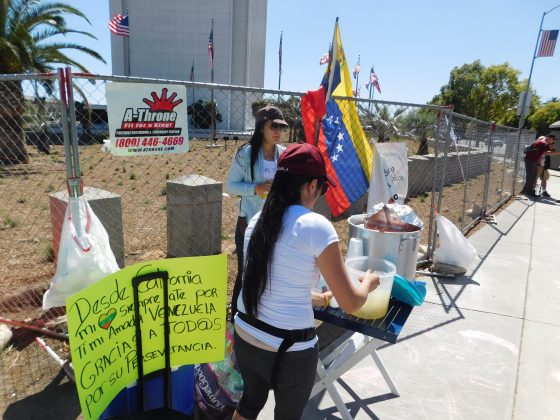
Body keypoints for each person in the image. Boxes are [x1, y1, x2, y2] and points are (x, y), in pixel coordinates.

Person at [232, 143, 380, 420]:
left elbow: (271, 285)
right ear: (312, 185)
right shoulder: (315, 226)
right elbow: (351, 302)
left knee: (250, 403)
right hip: (288, 351)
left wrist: (320, 298)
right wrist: (368, 283)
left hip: (245, 336)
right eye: (323, 189)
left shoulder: (257, 221)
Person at [226, 105, 288, 320]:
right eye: (274, 126)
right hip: (249, 223)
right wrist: (256, 189)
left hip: (275, 222)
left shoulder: (284, 154)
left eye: (281, 126)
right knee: (246, 272)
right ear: (262, 127)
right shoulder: (246, 154)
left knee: (270, 269)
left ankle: (259, 315)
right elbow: (230, 186)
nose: (278, 131)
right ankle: (237, 317)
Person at [523, 134, 560, 198]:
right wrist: (558, 153)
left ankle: (527, 190)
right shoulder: (543, 143)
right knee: (531, 176)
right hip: (531, 160)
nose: (553, 141)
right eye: (553, 139)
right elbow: (546, 153)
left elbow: (551, 149)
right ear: (548, 138)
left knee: (533, 176)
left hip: (532, 160)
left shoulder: (542, 142)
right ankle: (528, 192)